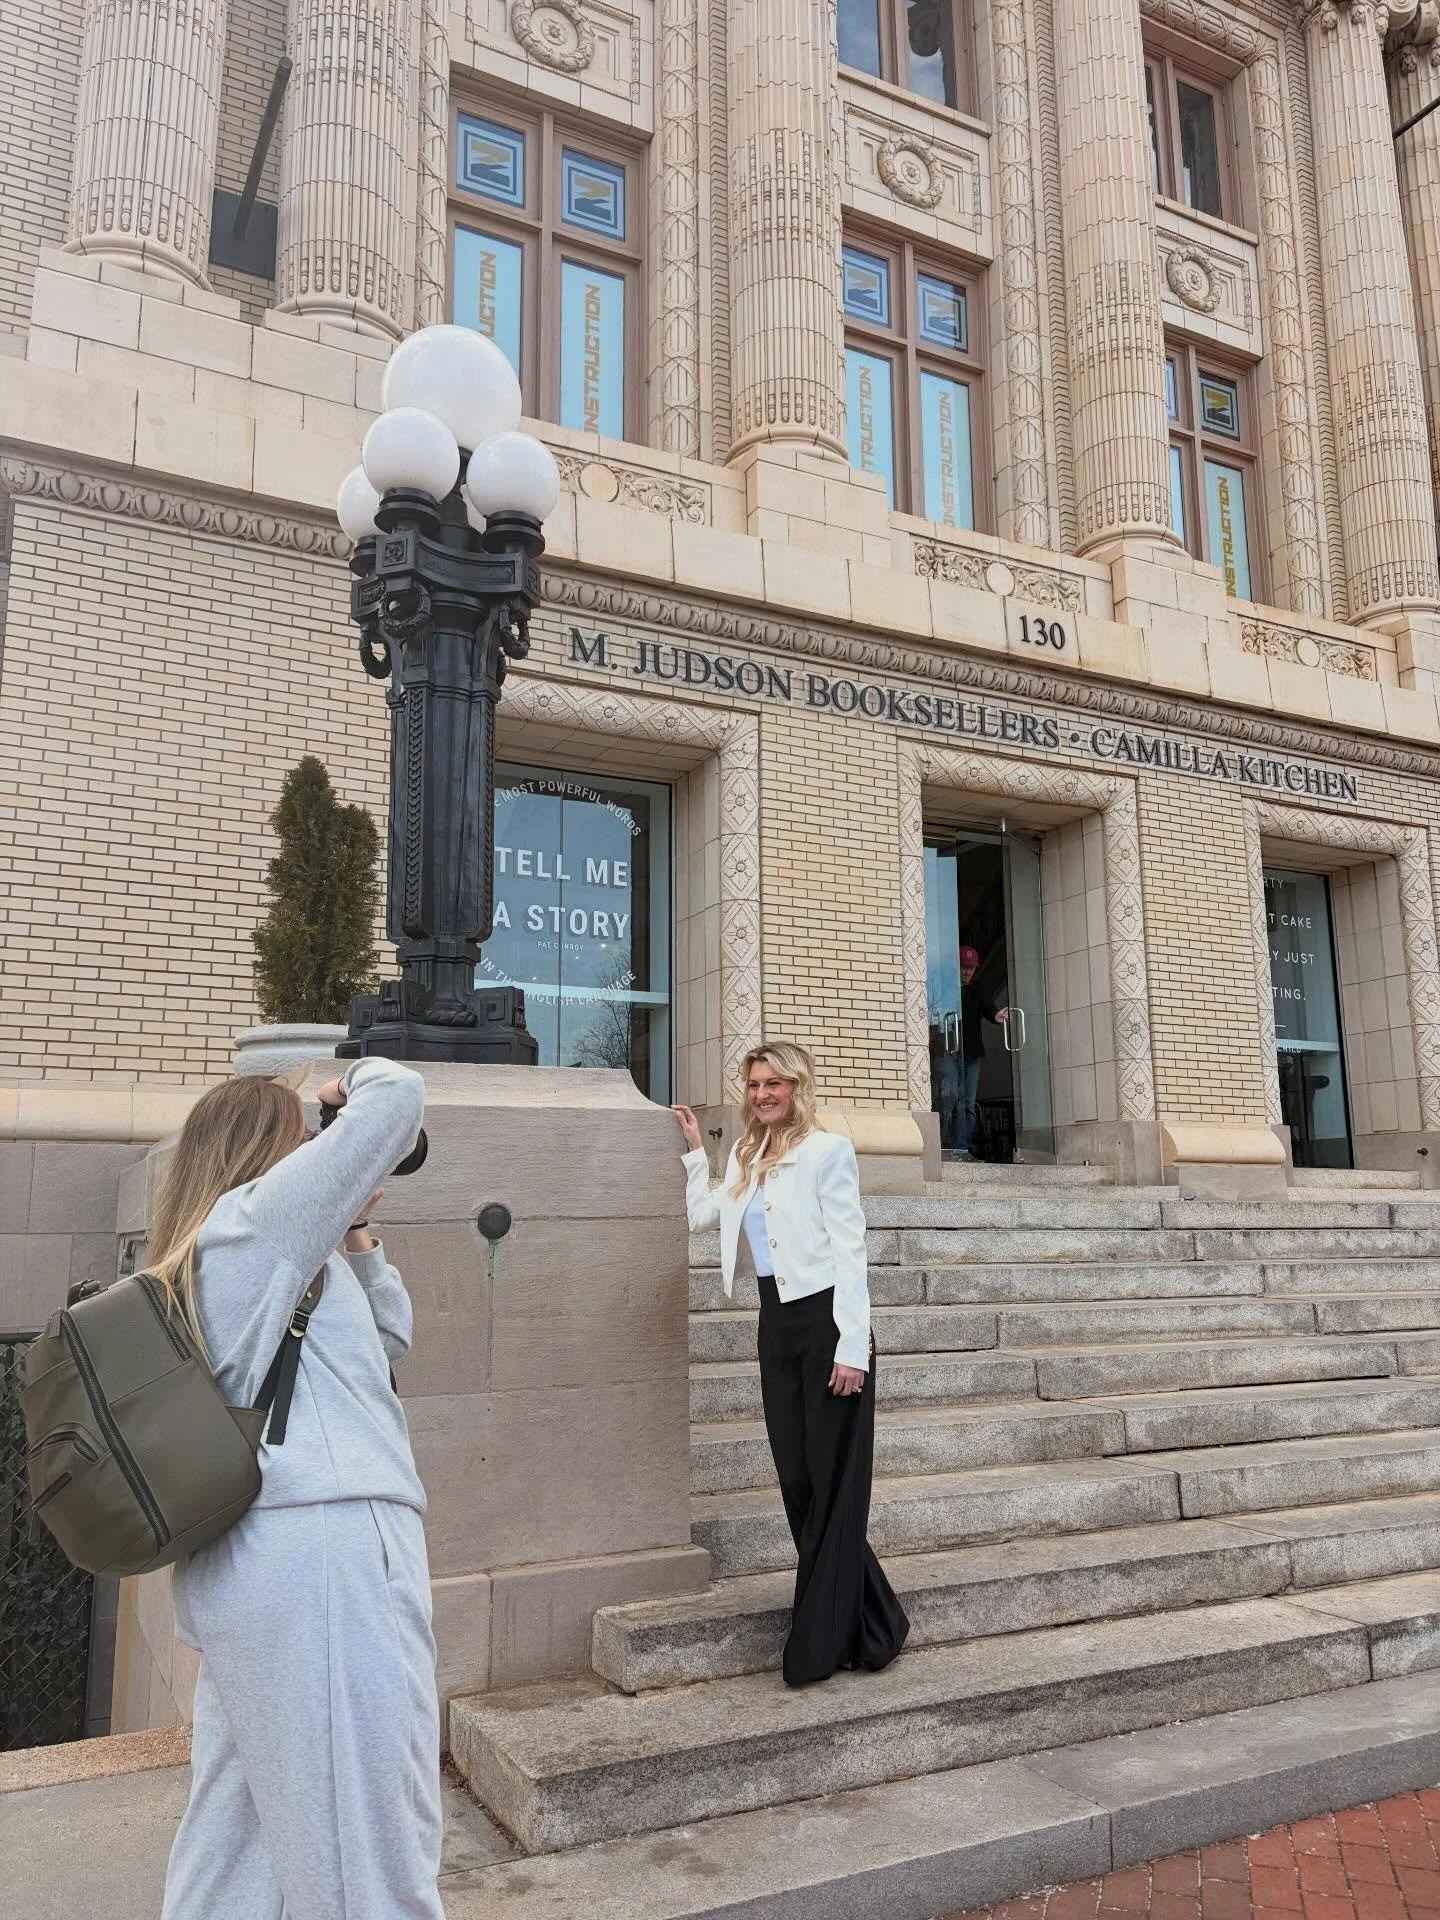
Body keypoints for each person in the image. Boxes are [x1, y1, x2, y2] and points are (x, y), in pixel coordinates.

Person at [155, 1057, 443, 1920]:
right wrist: (335, 1080)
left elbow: (387, 1340)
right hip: (322, 1554)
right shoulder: (257, 1225)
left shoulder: (235, 1248)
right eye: (300, 1138)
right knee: (368, 1846)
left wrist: (355, 1235)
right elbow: (400, 1097)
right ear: (264, 1150)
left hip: (263, 1559)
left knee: (235, 1845)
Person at [673, 1042, 909, 1687]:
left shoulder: (826, 1150)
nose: (762, 1094)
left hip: (827, 1318)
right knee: (799, 1478)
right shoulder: (745, 1153)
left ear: (796, 1087)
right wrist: (696, 1151)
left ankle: (819, 1637)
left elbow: (850, 1246)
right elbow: (703, 1217)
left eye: (774, 1083)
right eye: (753, 1085)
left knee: (834, 1480)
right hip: (775, 1324)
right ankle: (874, 1619)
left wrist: (852, 1345)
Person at [957, 944, 1009, 1159]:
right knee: (951, 1101)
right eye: (964, 967)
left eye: (971, 968)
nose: (967, 972)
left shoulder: (976, 991)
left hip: (972, 1054)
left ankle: (963, 1147)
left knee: (968, 1104)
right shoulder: (946, 988)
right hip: (949, 1053)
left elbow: (988, 1006)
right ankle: (948, 1146)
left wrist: (997, 1016)